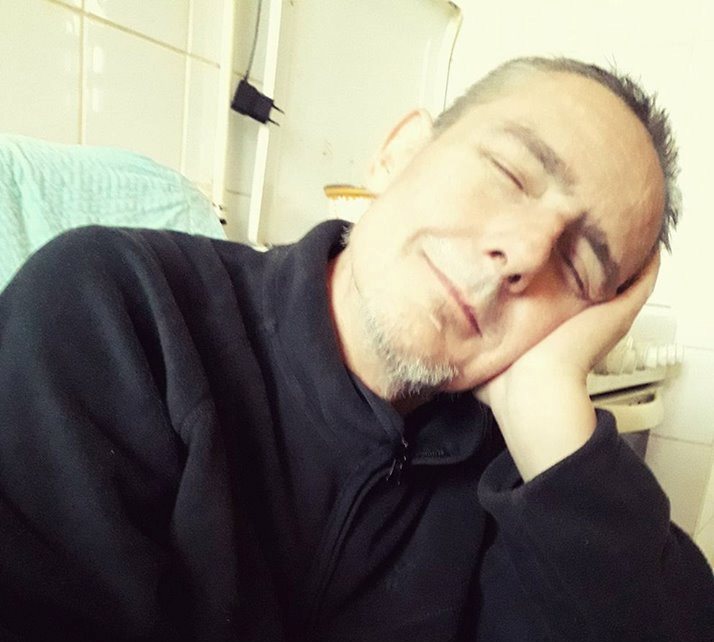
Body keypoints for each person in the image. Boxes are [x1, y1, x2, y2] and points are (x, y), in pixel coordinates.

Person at [0, 56, 712, 641]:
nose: (524, 253)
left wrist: (554, 417)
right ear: (399, 153)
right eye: (511, 174)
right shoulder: (116, 309)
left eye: (579, 268)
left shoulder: (525, 487)